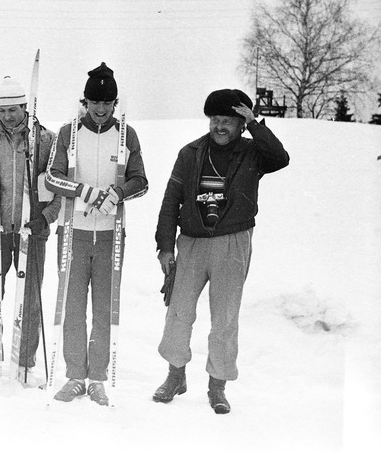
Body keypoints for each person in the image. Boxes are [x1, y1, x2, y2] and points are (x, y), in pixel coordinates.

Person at [152, 88, 289, 414]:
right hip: (193, 242)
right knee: (179, 312)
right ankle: (175, 376)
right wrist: (165, 246)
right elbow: (171, 200)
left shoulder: (254, 152)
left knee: (225, 318)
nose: (220, 126)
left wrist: (255, 123)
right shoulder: (190, 153)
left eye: (228, 120)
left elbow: (280, 158)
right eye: (215, 119)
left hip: (232, 242)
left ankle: (218, 385)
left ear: (241, 123)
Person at [45, 62, 148, 406]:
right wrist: (87, 193)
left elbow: (140, 181)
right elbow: (52, 177)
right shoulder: (68, 133)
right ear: (84, 102)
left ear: (114, 103)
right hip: (73, 230)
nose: (101, 110)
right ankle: (75, 375)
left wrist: (117, 194)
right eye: (94, 103)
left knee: (104, 308)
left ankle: (98, 378)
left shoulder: (126, 134)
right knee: (73, 306)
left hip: (109, 234)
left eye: (107, 103)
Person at [0, 76, 61, 388]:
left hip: (31, 233)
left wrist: (45, 218)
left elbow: (58, 189)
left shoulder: (45, 140)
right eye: (2, 110)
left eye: (14, 109)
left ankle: (24, 363)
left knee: (30, 297)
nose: (8, 116)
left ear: (25, 107)